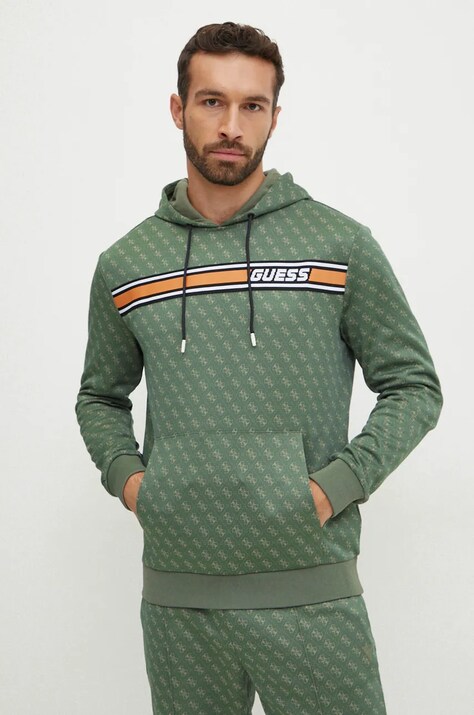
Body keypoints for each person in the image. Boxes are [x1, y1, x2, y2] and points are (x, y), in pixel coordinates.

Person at [75, 21, 443, 715]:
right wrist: (136, 485)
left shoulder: (338, 244)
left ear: (276, 116)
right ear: (178, 109)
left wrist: (333, 488)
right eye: (212, 101)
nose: (231, 126)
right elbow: (100, 395)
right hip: (179, 599)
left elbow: (414, 386)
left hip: (313, 590)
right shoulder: (126, 264)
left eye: (253, 105)